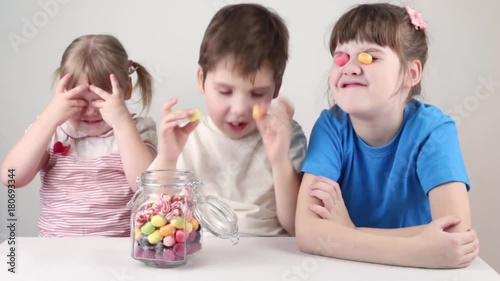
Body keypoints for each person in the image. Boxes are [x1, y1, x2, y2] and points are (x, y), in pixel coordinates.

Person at [295, 3, 480, 268]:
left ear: (411, 73)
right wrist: (418, 249)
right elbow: (308, 233)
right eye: (341, 57)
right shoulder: (331, 125)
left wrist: (348, 231)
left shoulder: (434, 131)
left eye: (369, 57)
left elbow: (454, 237)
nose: (350, 67)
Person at [149, 3, 307, 236]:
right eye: (225, 91)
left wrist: (280, 160)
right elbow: (155, 218)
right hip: (201, 253)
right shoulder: (188, 137)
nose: (240, 109)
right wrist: (168, 158)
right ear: (201, 79)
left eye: (257, 94)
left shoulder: (285, 135)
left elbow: (296, 227)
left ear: (276, 88)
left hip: (269, 256)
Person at [1, 34, 157, 237]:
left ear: (126, 89)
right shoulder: (53, 131)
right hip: (56, 251)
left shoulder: (136, 130)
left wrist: (121, 123)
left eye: (101, 99)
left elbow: (148, 188)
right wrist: (48, 118)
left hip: (118, 255)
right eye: (79, 100)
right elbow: (12, 178)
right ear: (63, 92)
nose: (90, 110)